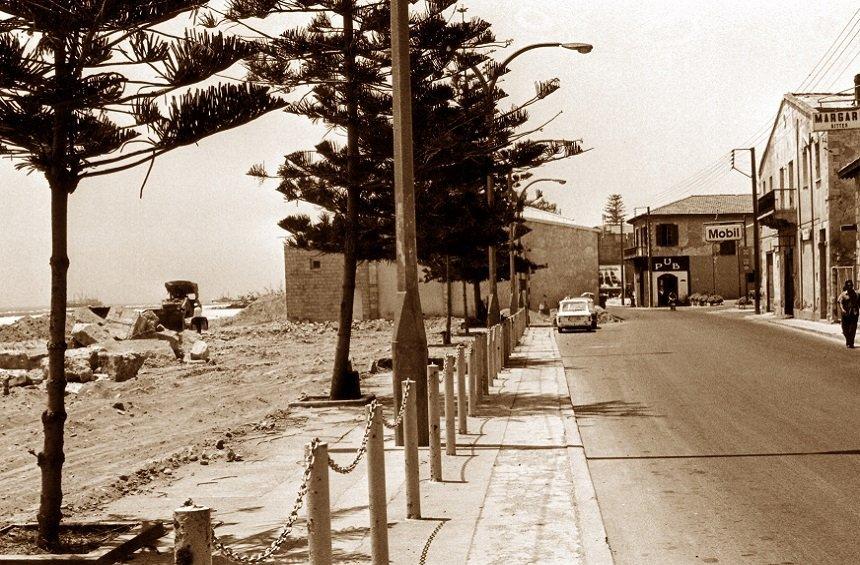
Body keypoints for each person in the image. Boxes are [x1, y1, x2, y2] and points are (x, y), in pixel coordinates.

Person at [837, 280, 859, 348]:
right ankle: (848, 340)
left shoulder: (856, 294)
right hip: (845, 314)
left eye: (851, 285)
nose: (850, 287)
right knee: (845, 329)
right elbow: (839, 302)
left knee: (853, 328)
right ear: (846, 286)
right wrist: (842, 309)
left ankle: (851, 343)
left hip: (854, 313)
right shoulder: (843, 294)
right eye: (848, 285)